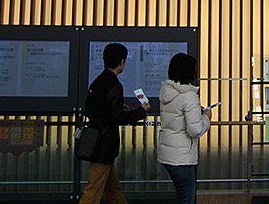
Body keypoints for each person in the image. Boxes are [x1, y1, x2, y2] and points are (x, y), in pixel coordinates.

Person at [79, 43, 150, 204]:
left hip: (97, 140)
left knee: (113, 190)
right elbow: (116, 117)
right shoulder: (114, 84)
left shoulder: (98, 82)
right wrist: (140, 111)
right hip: (105, 143)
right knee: (93, 191)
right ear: (122, 62)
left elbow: (95, 109)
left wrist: (119, 108)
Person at [158, 53, 212, 204]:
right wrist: (206, 117)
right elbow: (195, 130)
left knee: (182, 196)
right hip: (182, 157)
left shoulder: (167, 92)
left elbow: (176, 117)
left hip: (168, 153)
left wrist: (196, 112)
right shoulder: (189, 96)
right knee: (187, 199)